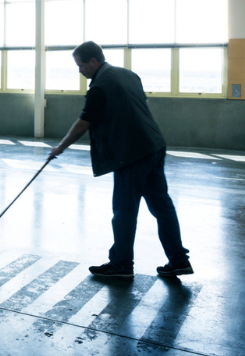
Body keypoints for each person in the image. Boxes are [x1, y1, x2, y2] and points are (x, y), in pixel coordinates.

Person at [48, 41, 192, 279]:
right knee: (162, 208)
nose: (80, 70)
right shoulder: (129, 75)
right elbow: (143, 107)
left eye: (81, 65)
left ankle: (122, 265)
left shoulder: (100, 87)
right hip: (154, 146)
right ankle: (179, 260)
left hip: (132, 154)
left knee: (124, 212)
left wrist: (60, 147)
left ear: (93, 61)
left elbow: (84, 123)